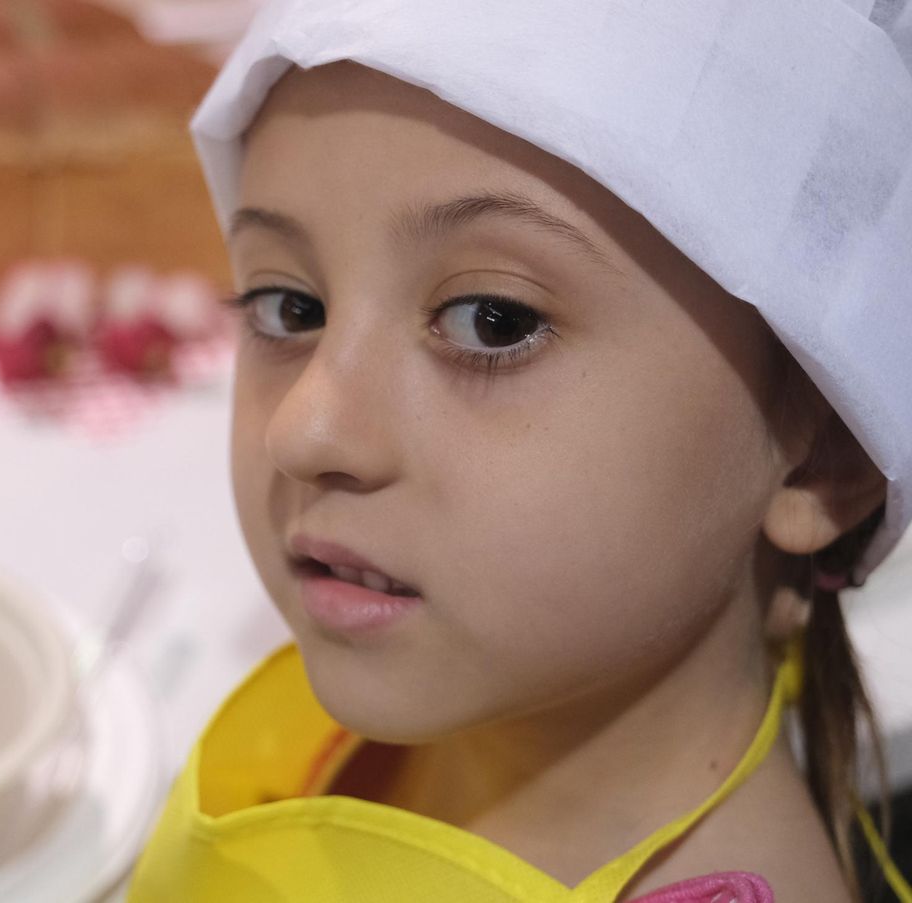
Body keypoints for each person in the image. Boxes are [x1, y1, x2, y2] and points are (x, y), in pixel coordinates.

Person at [127, 1, 912, 901]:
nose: (305, 430)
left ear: (821, 461)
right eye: (290, 307)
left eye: (492, 322)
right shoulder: (471, 676)